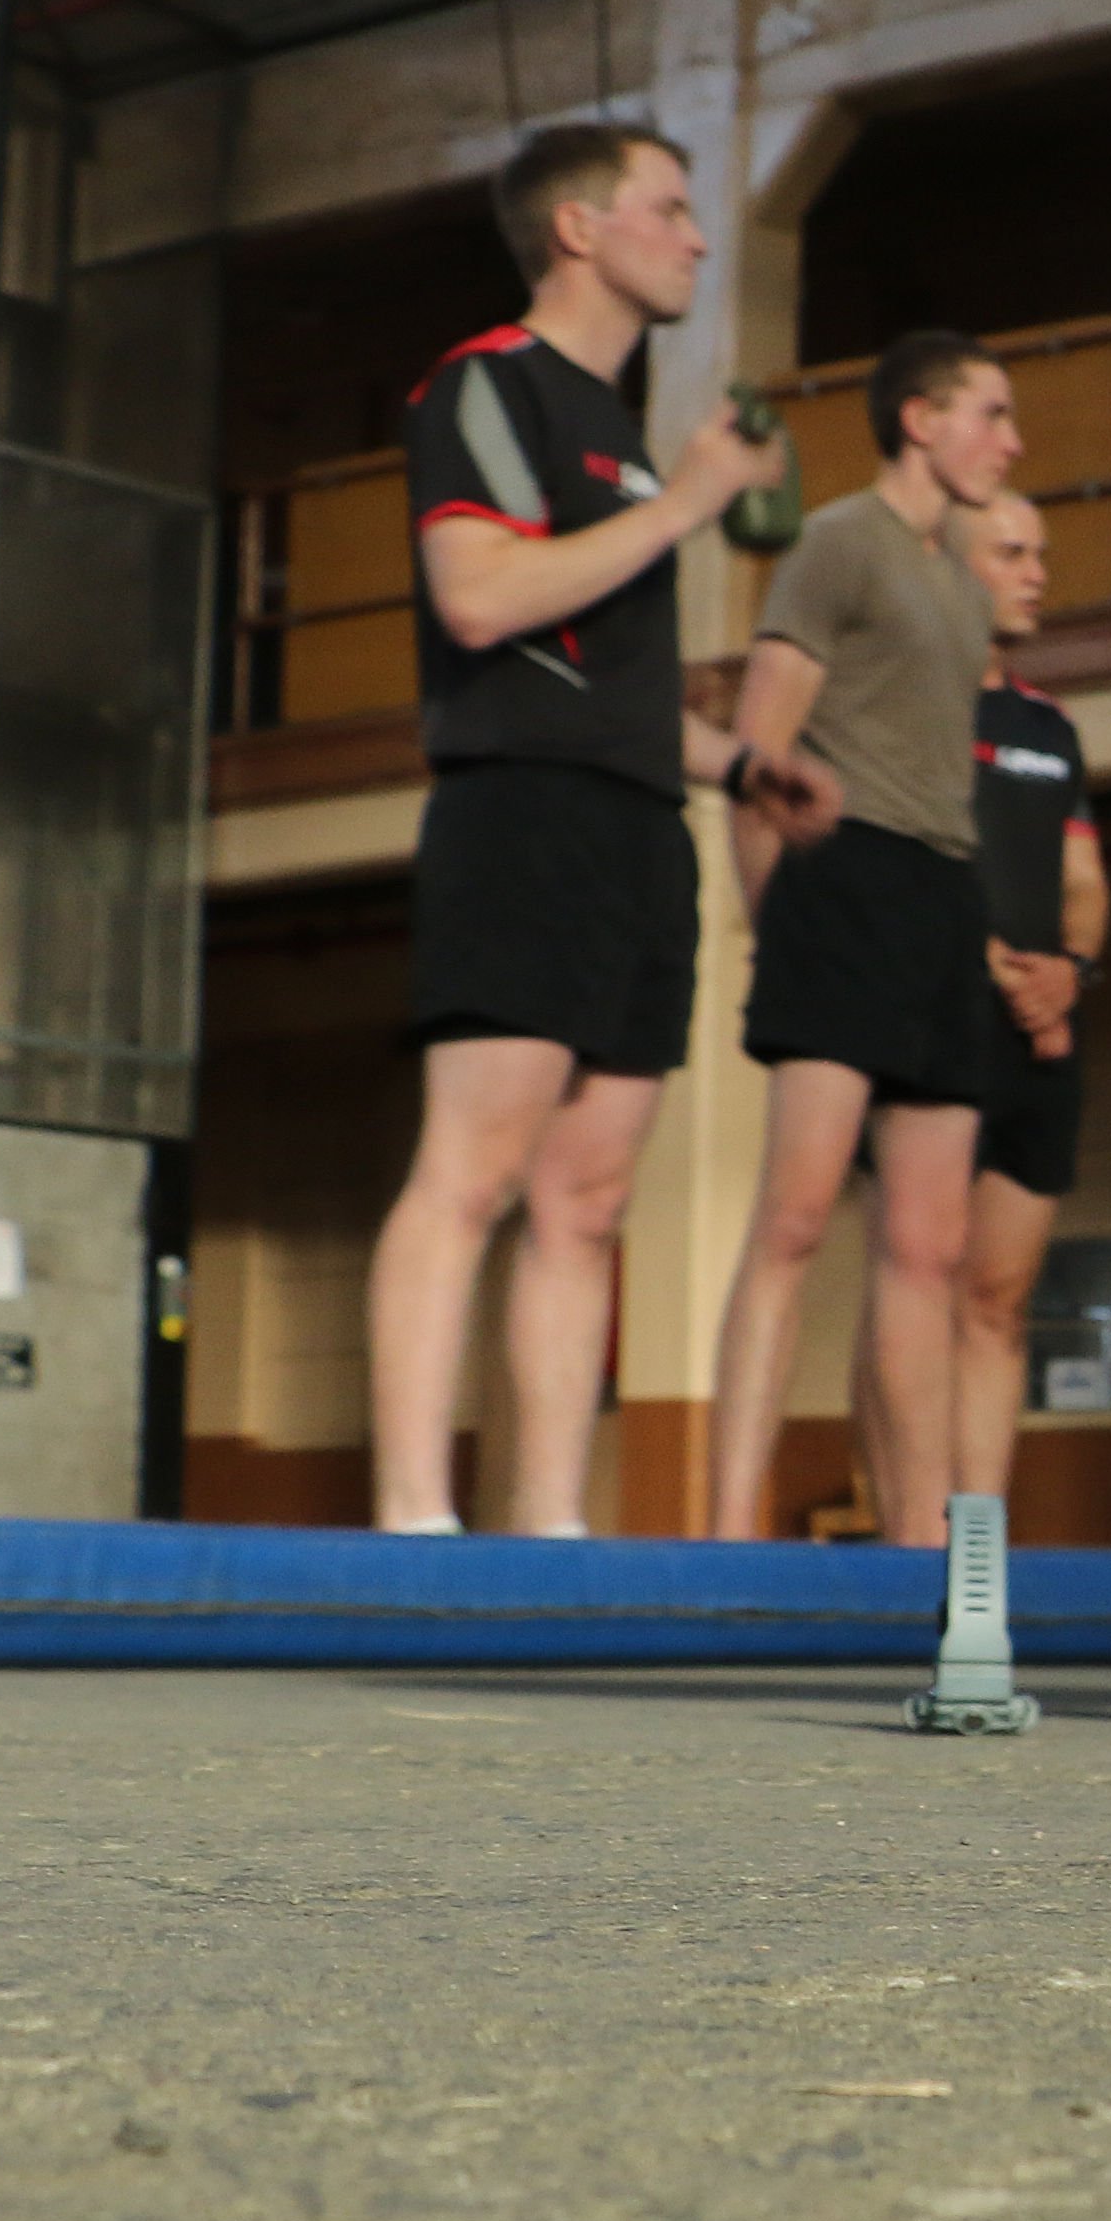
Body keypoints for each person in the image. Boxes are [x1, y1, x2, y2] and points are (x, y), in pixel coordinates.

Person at [364, 122, 827, 1538]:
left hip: (636, 825)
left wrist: (743, 764)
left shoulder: (621, 441)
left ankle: (550, 1531)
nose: (696, 238)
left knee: (591, 1197)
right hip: (520, 816)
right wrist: (691, 502)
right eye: (670, 209)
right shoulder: (486, 385)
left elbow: (604, 686)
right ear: (579, 228)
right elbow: (482, 602)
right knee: (475, 1174)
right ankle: (412, 1521)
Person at [701, 334, 1024, 1543]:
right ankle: (729, 1535)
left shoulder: (960, 581)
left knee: (930, 1249)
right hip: (841, 885)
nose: (1012, 439)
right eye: (992, 413)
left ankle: (921, 1541)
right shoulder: (838, 539)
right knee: (792, 1222)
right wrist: (773, 923)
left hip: (943, 895)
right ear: (922, 418)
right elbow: (758, 754)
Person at [850, 490, 1103, 1525]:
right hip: (929, 1019)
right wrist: (980, 956)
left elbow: (1082, 879)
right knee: (913, 1274)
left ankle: (975, 1550)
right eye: (1013, 552)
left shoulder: (1049, 726)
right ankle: (907, 1537)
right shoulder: (902, 699)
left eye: (1042, 551)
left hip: (1037, 1034)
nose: (1038, 570)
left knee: (998, 1301)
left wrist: (1068, 969)